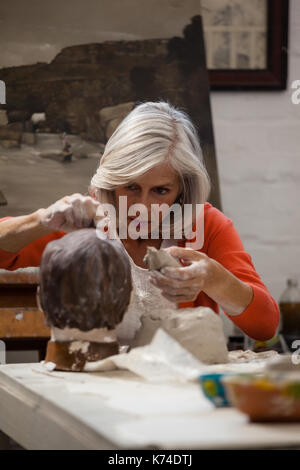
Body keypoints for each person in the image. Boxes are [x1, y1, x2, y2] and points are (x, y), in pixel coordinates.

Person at [0, 100, 280, 342]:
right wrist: (41, 220)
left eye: (161, 191)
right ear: (111, 183)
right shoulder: (86, 222)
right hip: (94, 385)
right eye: (131, 187)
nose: (142, 206)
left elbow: (265, 326)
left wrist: (215, 280)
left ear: (182, 190)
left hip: (177, 388)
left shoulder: (206, 225)